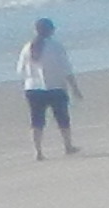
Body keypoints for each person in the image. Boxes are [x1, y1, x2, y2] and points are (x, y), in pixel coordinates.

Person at [15, 20, 78, 157]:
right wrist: (74, 88)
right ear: (51, 30)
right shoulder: (55, 46)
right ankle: (68, 146)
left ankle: (38, 151)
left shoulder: (27, 47)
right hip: (54, 86)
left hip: (32, 88)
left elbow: (20, 70)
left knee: (36, 120)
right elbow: (66, 68)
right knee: (62, 118)